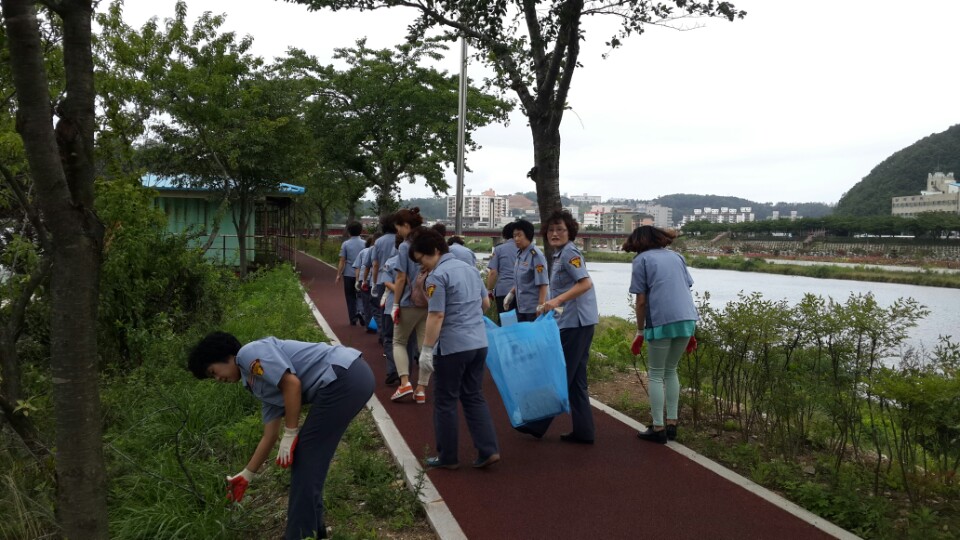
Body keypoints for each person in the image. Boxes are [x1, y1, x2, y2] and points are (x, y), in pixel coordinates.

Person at [188, 332, 375, 540]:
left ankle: (300, 535)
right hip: (347, 378)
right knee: (307, 458)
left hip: (344, 376)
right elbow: (269, 436)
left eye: (213, 371)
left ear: (226, 356)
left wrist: (291, 432)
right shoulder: (256, 382)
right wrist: (247, 475)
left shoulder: (247, 354)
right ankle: (314, 530)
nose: (217, 379)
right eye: (212, 377)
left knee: (306, 457)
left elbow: (292, 384)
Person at [409, 228, 500, 469]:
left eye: (422, 259)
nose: (422, 265)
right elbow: (485, 303)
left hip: (452, 346)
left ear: (434, 250)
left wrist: (426, 349)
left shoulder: (437, 277)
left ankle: (448, 456)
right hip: (478, 342)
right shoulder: (470, 269)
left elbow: (436, 315)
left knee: (445, 400)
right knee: (474, 396)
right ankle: (488, 449)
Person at [514, 210, 599, 443]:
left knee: (559, 373)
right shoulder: (559, 254)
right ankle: (584, 431)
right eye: (551, 230)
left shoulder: (569, 252)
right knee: (576, 380)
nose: (554, 233)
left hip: (576, 322)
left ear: (569, 231)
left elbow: (585, 283)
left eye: (560, 229)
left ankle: (536, 423)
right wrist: (550, 305)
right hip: (574, 321)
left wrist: (556, 301)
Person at [622, 225, 699, 444]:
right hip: (687, 319)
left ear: (638, 242)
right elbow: (685, 289)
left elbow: (641, 302)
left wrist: (640, 331)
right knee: (671, 370)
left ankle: (658, 428)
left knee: (656, 374)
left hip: (661, 320)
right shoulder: (677, 257)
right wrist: (691, 331)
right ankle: (672, 424)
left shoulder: (641, 260)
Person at [389, 209, 427, 402]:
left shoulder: (405, 246)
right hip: (429, 302)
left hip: (408, 301)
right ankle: (421, 389)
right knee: (425, 347)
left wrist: (395, 304)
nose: (398, 232)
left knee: (399, 342)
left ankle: (404, 383)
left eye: (398, 228)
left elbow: (401, 277)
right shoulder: (429, 241)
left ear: (405, 225)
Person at [504, 220, 548, 322]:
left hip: (533, 309)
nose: (516, 239)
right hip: (521, 306)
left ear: (528, 235)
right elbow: (522, 280)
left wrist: (541, 305)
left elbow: (543, 282)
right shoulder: (520, 254)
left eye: (519, 235)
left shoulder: (535, 255)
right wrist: (511, 293)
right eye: (514, 236)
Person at [370, 216, 399, 344]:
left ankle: (383, 335)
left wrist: (374, 282)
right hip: (399, 278)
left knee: (383, 308)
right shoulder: (401, 239)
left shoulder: (379, 241)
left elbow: (375, 264)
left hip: (383, 279)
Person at [335, 222, 366, 326]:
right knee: (361, 295)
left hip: (348, 273)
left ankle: (353, 317)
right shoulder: (365, 243)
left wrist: (338, 274)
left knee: (350, 296)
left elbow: (342, 260)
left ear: (349, 232)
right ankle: (361, 312)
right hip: (362, 274)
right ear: (361, 231)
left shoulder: (346, 244)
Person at [486, 222, 517, 316]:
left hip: (503, 290)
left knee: (506, 320)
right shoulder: (525, 249)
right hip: (521, 291)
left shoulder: (499, 249)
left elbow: (493, 273)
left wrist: (489, 290)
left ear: (504, 234)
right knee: (520, 321)